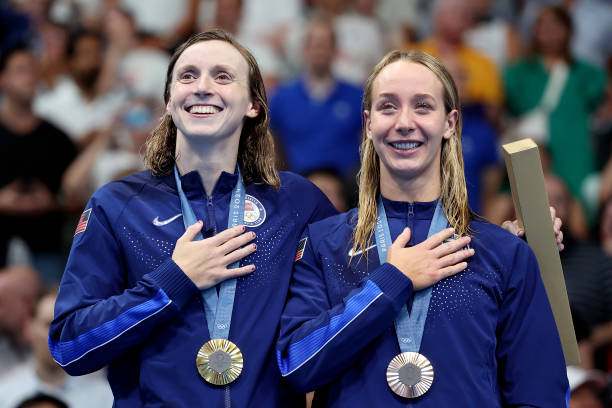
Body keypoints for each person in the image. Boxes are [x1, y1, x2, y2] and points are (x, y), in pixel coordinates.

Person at [48, 29, 336, 407]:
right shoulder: (117, 205)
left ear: (254, 104)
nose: (202, 87)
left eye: (222, 76)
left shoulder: (298, 202)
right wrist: (173, 281)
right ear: (169, 102)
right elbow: (70, 345)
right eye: (187, 76)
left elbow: (344, 326)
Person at [276, 49, 569, 406]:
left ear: (450, 123)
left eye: (422, 106)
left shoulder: (502, 253)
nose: (404, 122)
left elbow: (539, 395)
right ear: (368, 124)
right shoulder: (324, 243)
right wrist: (391, 281)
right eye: (388, 106)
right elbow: (297, 364)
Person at [0, 289, 113, 408]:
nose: (58, 336)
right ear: (30, 327)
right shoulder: (5, 396)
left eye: (66, 327)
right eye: (49, 325)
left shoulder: (104, 398)